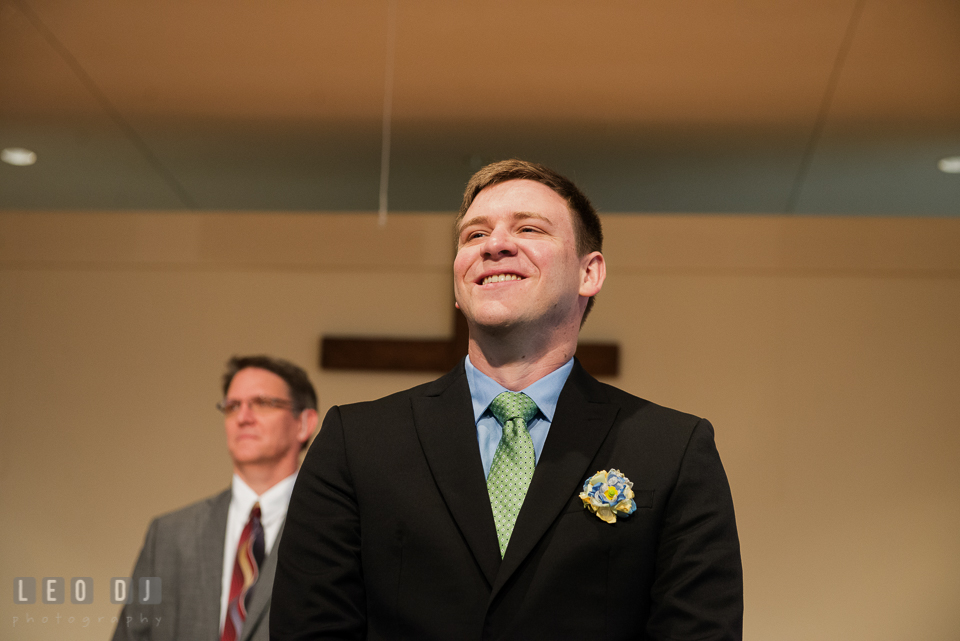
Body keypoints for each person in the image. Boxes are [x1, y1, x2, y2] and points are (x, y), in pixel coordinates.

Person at [271, 160, 742, 640]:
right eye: (474, 235)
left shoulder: (672, 449)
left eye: (529, 228)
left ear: (589, 272)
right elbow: (310, 629)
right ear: (458, 282)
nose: (494, 245)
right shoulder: (358, 442)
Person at [113, 355, 318, 641]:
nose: (243, 417)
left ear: (304, 424)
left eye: (262, 403)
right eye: (232, 406)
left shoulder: (331, 529)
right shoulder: (169, 535)